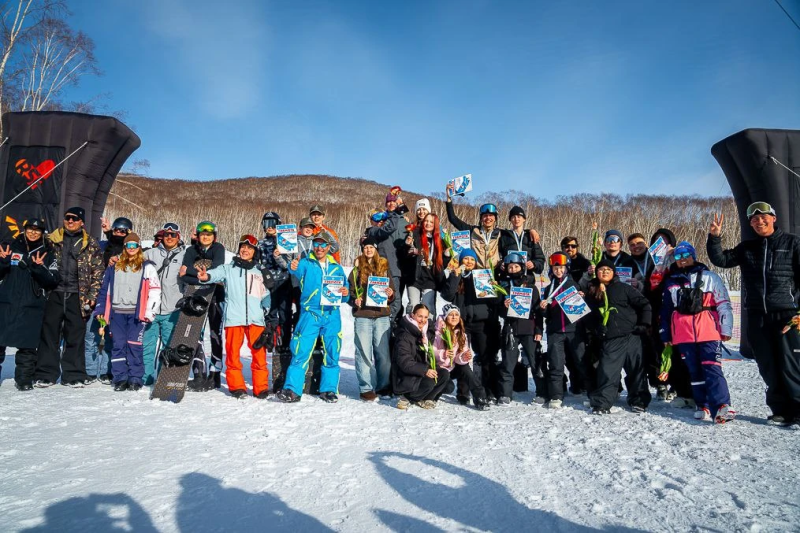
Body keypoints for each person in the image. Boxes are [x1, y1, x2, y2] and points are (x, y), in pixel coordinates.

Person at [707, 202, 800, 427]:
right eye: (755, 219)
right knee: (767, 365)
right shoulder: (747, 247)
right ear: (750, 223)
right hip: (758, 315)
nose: (760, 221)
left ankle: (797, 411)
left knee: (791, 364)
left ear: (773, 218)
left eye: (764, 217)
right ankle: (779, 411)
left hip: (787, 314)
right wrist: (715, 238)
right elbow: (722, 260)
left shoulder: (792, 243)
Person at [660, 241, 736, 423]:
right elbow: (666, 311)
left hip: (708, 330)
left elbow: (723, 303)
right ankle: (702, 405)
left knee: (712, 367)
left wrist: (726, 328)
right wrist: (666, 335)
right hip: (684, 332)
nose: (682, 259)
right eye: (678, 256)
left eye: (686, 254)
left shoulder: (710, 277)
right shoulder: (671, 282)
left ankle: (722, 405)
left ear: (693, 255)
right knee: (694, 370)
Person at [34, 207, 103, 387]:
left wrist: (92, 295)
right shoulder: (51, 240)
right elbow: (30, 245)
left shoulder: (90, 243)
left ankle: (73, 375)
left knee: (75, 336)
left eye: (74, 218)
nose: (70, 221)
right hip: (54, 292)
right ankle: (46, 374)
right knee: (50, 335)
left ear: (82, 222)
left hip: (77, 295)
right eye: (67, 218)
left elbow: (98, 272)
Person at [277, 231, 349, 403]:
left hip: (331, 314)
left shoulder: (337, 268)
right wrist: (289, 263)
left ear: (329, 247)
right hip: (310, 313)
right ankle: (292, 390)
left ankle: (329, 390)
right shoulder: (305, 263)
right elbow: (292, 268)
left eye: (323, 244)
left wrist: (345, 293)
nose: (319, 248)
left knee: (332, 352)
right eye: (316, 244)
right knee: (301, 351)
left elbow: (345, 295)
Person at [197, 235, 272, 399]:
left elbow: (266, 294)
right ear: (239, 249)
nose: (245, 250)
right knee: (233, 355)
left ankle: (261, 388)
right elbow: (214, 274)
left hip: (256, 320)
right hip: (234, 318)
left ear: (254, 252)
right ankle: (237, 386)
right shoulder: (228, 269)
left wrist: (266, 310)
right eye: (243, 247)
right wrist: (206, 276)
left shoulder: (259, 272)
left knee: (259, 356)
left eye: (250, 248)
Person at [94, 233, 161, 391]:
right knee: (118, 345)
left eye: (135, 245)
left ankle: (135, 377)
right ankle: (120, 378)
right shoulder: (114, 266)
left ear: (139, 247)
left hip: (136, 314)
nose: (132, 248)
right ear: (124, 248)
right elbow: (104, 290)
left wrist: (149, 312)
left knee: (134, 345)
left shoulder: (147, 266)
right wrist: (101, 309)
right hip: (117, 312)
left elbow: (155, 290)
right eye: (128, 245)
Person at [586, 259, 652, 414]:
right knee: (607, 371)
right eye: (601, 270)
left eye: (608, 270)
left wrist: (644, 325)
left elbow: (645, 304)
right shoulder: (593, 291)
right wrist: (597, 329)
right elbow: (588, 317)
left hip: (631, 335)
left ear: (613, 272)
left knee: (636, 370)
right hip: (611, 339)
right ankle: (602, 403)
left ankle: (639, 400)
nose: (605, 272)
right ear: (596, 273)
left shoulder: (623, 288)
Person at [0, 219, 60, 391]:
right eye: (30, 229)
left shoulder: (48, 252)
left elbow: (53, 280)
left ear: (42, 232)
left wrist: (39, 268)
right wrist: (2, 262)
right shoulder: (10, 246)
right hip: (6, 301)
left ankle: (24, 379)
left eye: (37, 230)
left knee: (27, 346)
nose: (33, 233)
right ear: (24, 230)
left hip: (31, 304)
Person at [439, 249, 503, 403]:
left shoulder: (483, 277)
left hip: (482, 323)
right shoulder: (457, 276)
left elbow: (496, 301)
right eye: (466, 259)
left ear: (476, 263)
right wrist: (456, 275)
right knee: (462, 357)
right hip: (462, 324)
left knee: (486, 357)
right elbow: (447, 295)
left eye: (472, 260)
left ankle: (488, 390)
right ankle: (463, 392)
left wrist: (494, 288)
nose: (468, 262)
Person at [85, 216, 133, 384]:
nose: (119, 233)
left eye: (123, 231)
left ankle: (107, 370)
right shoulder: (103, 246)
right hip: (98, 296)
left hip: (117, 299)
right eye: (116, 230)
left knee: (111, 336)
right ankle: (90, 370)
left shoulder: (131, 250)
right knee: (92, 334)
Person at [179, 221, 226, 391]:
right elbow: (183, 273)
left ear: (214, 236)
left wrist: (194, 270)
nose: (205, 237)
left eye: (209, 234)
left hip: (216, 295)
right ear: (198, 236)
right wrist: (203, 275)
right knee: (194, 333)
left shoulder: (218, 248)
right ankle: (199, 374)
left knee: (215, 334)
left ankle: (215, 374)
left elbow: (218, 269)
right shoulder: (191, 251)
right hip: (196, 294)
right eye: (202, 234)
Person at [347, 237, 395, 400]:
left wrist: (390, 294)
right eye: (365, 247)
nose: (368, 250)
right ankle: (366, 387)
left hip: (381, 315)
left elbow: (392, 293)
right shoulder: (356, 270)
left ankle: (383, 386)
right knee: (363, 352)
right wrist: (354, 300)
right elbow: (349, 292)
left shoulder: (383, 267)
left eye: (371, 247)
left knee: (383, 353)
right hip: (363, 315)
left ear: (376, 249)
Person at [538, 252, 588, 405]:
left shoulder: (573, 284)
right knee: (556, 363)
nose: (558, 270)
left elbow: (582, 306)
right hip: (555, 331)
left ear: (567, 268)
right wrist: (543, 308)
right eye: (555, 267)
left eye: (561, 268)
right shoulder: (548, 288)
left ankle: (590, 391)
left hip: (574, 330)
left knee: (581, 361)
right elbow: (547, 313)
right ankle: (556, 396)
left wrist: (582, 297)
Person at [273, 217, 316, 390]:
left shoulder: (318, 243)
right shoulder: (292, 239)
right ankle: (285, 345)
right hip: (290, 280)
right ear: (300, 228)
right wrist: (278, 258)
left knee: (301, 314)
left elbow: (334, 246)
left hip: (307, 284)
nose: (308, 229)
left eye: (311, 227)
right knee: (285, 315)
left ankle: (301, 343)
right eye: (305, 226)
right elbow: (286, 263)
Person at [142, 222, 186, 385]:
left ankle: (163, 375)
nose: (169, 237)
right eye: (167, 234)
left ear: (178, 237)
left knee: (169, 347)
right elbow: (130, 261)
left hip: (172, 309)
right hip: (150, 309)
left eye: (173, 235)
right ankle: (145, 376)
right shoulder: (150, 253)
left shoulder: (184, 256)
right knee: (147, 346)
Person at [497, 253, 544, 404]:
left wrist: (538, 330)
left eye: (516, 266)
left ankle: (542, 392)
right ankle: (506, 393)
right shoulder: (503, 286)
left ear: (522, 268)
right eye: (510, 267)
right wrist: (503, 307)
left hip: (529, 329)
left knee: (535, 361)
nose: (513, 269)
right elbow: (498, 312)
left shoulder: (530, 286)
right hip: (511, 329)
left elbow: (538, 311)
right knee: (508, 362)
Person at [392, 303, 450, 410]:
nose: (423, 320)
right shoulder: (404, 335)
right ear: (413, 315)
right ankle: (407, 397)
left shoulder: (426, 331)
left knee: (444, 375)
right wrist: (425, 370)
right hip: (406, 375)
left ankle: (426, 399)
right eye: (420, 316)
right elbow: (404, 362)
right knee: (429, 382)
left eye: (425, 317)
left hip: (421, 370)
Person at [433, 304, 490, 410]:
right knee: (449, 387)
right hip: (440, 368)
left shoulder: (461, 334)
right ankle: (433, 394)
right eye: (451, 315)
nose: (454, 317)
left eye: (456, 315)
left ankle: (480, 397)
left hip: (453, 367)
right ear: (445, 317)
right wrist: (443, 353)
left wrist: (463, 356)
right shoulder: (437, 333)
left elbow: (459, 356)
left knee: (466, 368)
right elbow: (431, 351)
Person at [364, 206, 406, 324]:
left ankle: (391, 325)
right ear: (371, 220)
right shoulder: (374, 231)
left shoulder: (386, 232)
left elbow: (397, 229)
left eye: (382, 217)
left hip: (394, 270)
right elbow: (390, 227)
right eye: (376, 218)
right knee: (389, 300)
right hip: (382, 272)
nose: (380, 221)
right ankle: (386, 324)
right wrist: (392, 213)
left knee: (396, 300)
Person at [445, 185, 502, 270]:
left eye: (491, 216)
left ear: (495, 218)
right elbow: (453, 219)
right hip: (476, 273)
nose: (488, 218)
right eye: (485, 216)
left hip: (494, 274)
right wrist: (449, 199)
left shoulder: (500, 234)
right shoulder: (473, 231)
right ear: (481, 218)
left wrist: (529, 231)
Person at [258, 212, 292, 350]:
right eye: (267, 224)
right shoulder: (260, 243)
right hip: (268, 282)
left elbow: (289, 263)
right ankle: (271, 339)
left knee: (285, 312)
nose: (270, 227)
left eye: (273, 224)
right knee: (270, 312)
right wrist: (263, 271)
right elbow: (256, 262)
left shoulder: (285, 242)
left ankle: (285, 342)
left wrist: (281, 255)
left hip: (284, 281)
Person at [404, 213, 448, 314]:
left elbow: (442, 265)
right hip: (414, 277)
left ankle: (430, 329)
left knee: (428, 306)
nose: (428, 223)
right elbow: (405, 255)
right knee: (413, 305)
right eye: (426, 221)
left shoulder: (439, 240)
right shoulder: (415, 234)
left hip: (430, 278)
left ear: (435, 224)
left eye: (431, 222)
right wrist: (407, 247)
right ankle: (410, 328)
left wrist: (446, 255)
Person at [498, 206, 545, 274]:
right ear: (510, 219)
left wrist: (534, 264)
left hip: (527, 280)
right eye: (513, 217)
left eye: (519, 216)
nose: (516, 219)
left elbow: (540, 260)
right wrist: (501, 264)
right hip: (508, 280)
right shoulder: (504, 236)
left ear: (524, 219)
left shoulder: (531, 237)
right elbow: (497, 257)